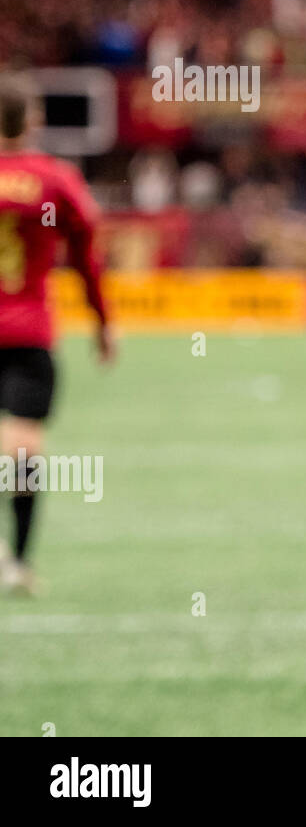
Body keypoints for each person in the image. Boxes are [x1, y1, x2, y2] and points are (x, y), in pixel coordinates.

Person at [0, 78, 114, 594]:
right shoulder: (55, 181)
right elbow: (86, 258)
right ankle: (18, 563)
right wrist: (103, 322)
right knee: (24, 448)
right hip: (28, 333)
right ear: (35, 121)